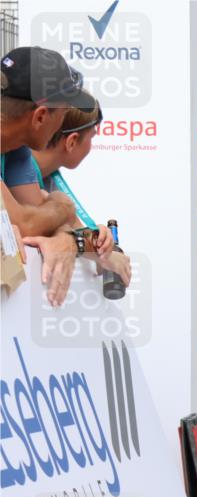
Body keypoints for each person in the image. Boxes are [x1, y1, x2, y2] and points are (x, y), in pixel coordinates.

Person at [2, 46, 107, 306]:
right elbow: (27, 222)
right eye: (63, 113)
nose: (63, 123)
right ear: (40, 116)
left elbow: (37, 218)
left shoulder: (16, 147)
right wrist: (64, 206)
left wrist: (67, 238)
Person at [30, 97, 131, 288]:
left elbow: (73, 227)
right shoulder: (19, 171)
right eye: (92, 137)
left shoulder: (48, 175)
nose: (91, 146)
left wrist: (97, 240)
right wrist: (101, 254)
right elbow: (43, 225)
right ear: (72, 141)